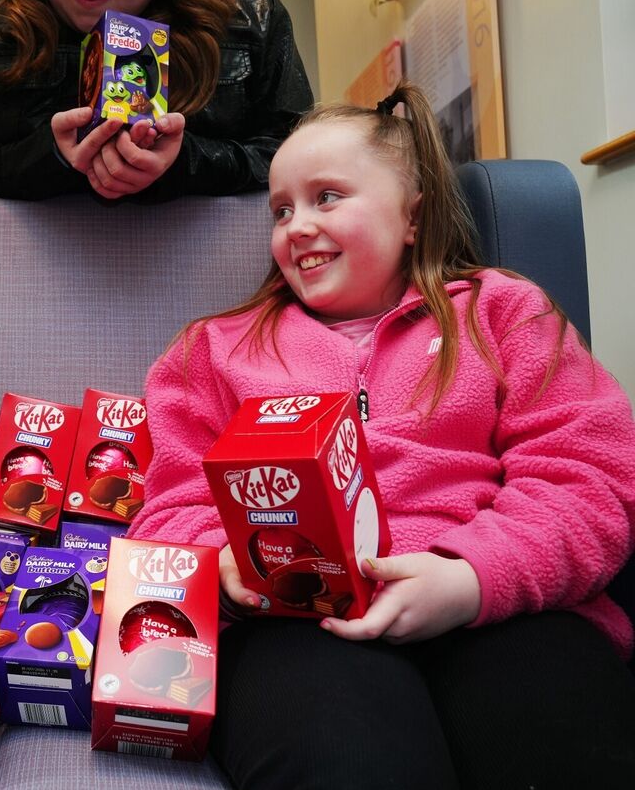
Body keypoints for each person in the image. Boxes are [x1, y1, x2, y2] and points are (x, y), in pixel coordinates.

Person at [129, 81, 635, 788]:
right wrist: (223, 562)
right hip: (298, 628)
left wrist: (470, 577)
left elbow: (590, 477)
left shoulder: (503, 313)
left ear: (412, 218)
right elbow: (169, 510)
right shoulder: (209, 353)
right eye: (281, 210)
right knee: (348, 759)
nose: (296, 226)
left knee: (558, 741)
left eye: (327, 197)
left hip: (501, 606)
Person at [0, 0, 312, 201]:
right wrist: (46, 157)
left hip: (211, 284)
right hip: (23, 285)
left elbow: (300, 159)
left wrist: (187, 161)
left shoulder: (252, 16)